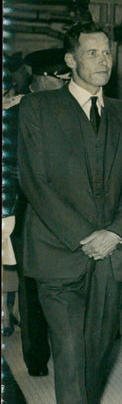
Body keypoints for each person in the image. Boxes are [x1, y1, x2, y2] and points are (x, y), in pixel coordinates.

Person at [17, 21, 122, 404]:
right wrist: (82, 237)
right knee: (69, 355)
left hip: (111, 256)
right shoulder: (38, 108)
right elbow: (37, 183)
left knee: (96, 354)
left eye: (107, 52)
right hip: (58, 256)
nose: (103, 60)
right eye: (92, 52)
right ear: (71, 60)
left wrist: (114, 233)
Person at [6, 48, 71, 374]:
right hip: (26, 212)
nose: (67, 84)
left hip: (69, 211)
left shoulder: (69, 111)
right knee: (31, 284)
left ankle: (68, 353)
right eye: (63, 79)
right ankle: (36, 356)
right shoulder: (12, 114)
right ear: (43, 79)